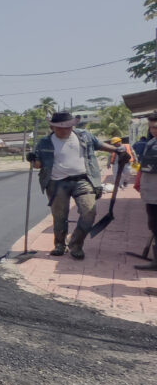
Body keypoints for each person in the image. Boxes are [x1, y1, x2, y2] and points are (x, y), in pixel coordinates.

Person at [26, 111, 125, 259]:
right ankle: (60, 245)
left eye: (68, 127)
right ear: (52, 127)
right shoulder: (44, 142)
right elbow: (39, 165)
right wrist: (33, 160)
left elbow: (99, 145)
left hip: (83, 180)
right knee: (59, 216)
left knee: (89, 213)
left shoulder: (84, 136)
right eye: (60, 127)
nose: (64, 130)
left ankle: (76, 244)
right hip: (56, 182)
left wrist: (116, 150)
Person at [132, 113, 157, 271]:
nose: (154, 130)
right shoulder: (151, 144)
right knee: (154, 227)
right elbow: (143, 167)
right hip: (152, 194)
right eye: (152, 127)